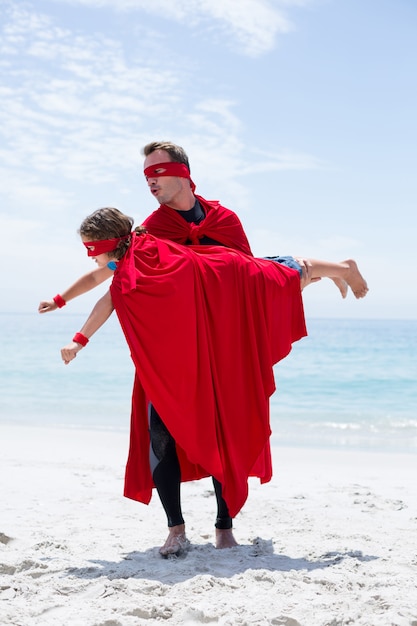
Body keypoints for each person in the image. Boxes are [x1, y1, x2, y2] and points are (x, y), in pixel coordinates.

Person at [39, 142, 368, 556]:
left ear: (184, 172)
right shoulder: (151, 230)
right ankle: (175, 528)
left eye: (157, 172)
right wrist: (66, 311)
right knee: (160, 434)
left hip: (221, 345)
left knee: (225, 427)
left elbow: (246, 275)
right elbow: (109, 279)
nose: (151, 181)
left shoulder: (224, 218)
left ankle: (224, 527)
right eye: (146, 175)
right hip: (170, 348)